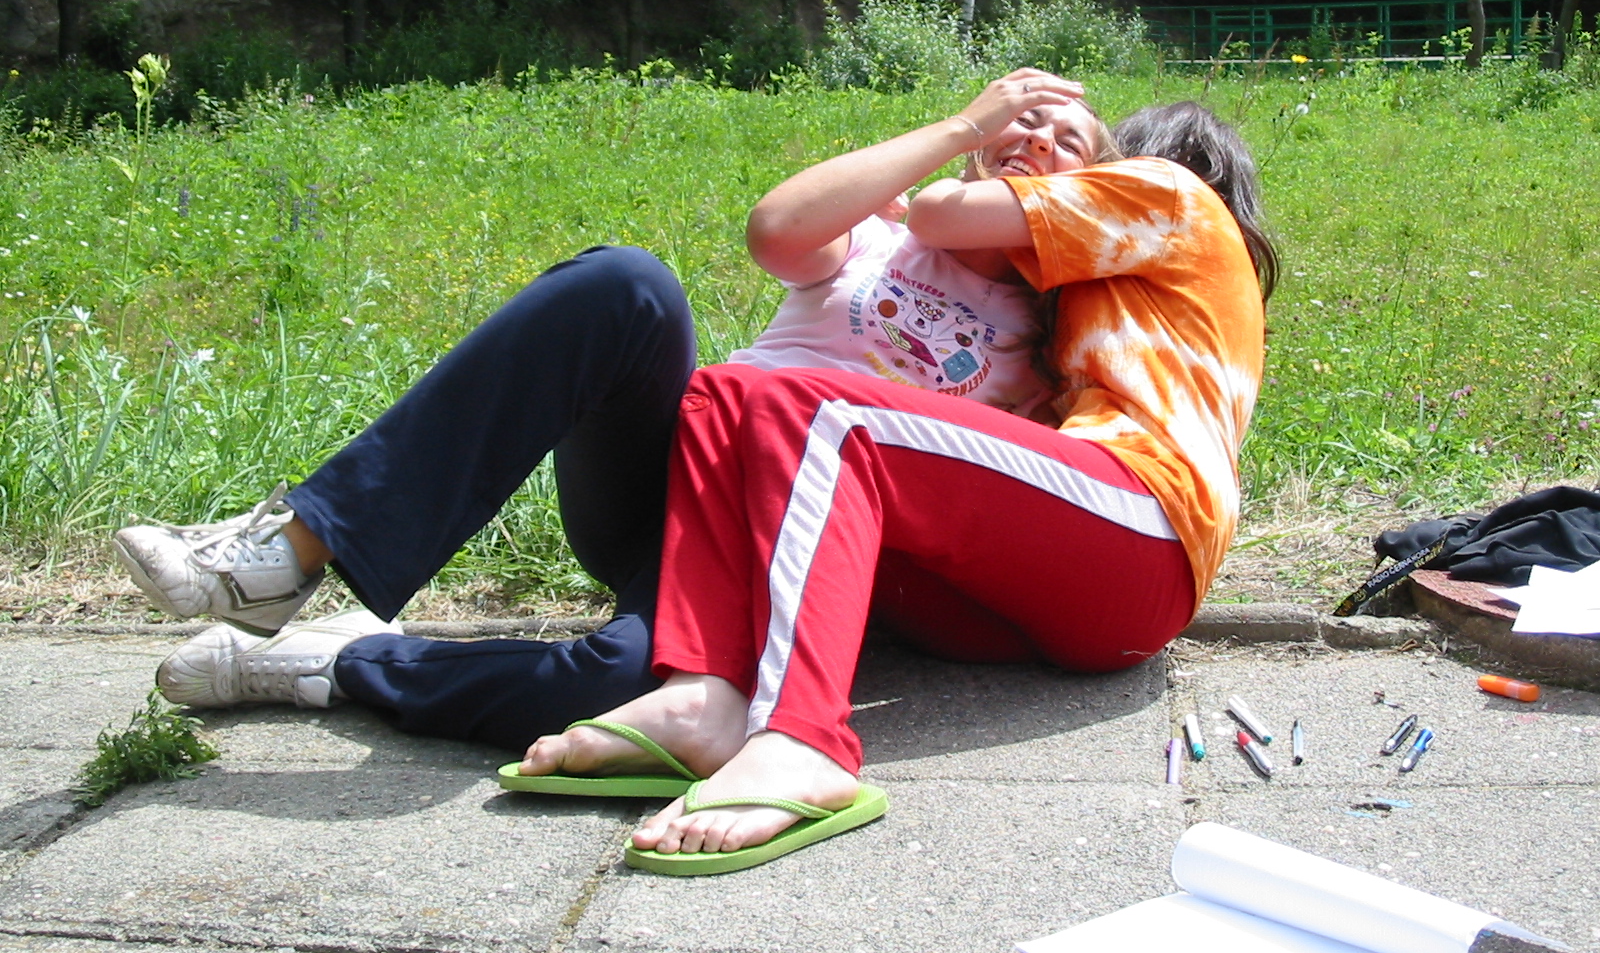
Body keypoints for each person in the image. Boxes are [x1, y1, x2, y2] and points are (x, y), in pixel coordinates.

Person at [117, 69, 1118, 754]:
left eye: (1067, 141)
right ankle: (290, 549)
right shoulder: (884, 235)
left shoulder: (1050, 346)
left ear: (1099, 197)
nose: (1035, 138)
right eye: (1023, 120)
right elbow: (776, 230)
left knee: (612, 687)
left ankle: (337, 663)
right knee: (628, 286)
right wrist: (963, 125)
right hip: (673, 473)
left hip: (768, 547)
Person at [513, 96, 1278, 874]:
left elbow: (941, 213)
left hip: (1143, 526)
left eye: (1076, 145)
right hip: (1046, 599)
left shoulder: (1168, 192)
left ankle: (803, 743)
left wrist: (938, 191)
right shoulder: (1111, 293)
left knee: (821, 411)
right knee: (729, 392)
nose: (1044, 145)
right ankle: (704, 697)